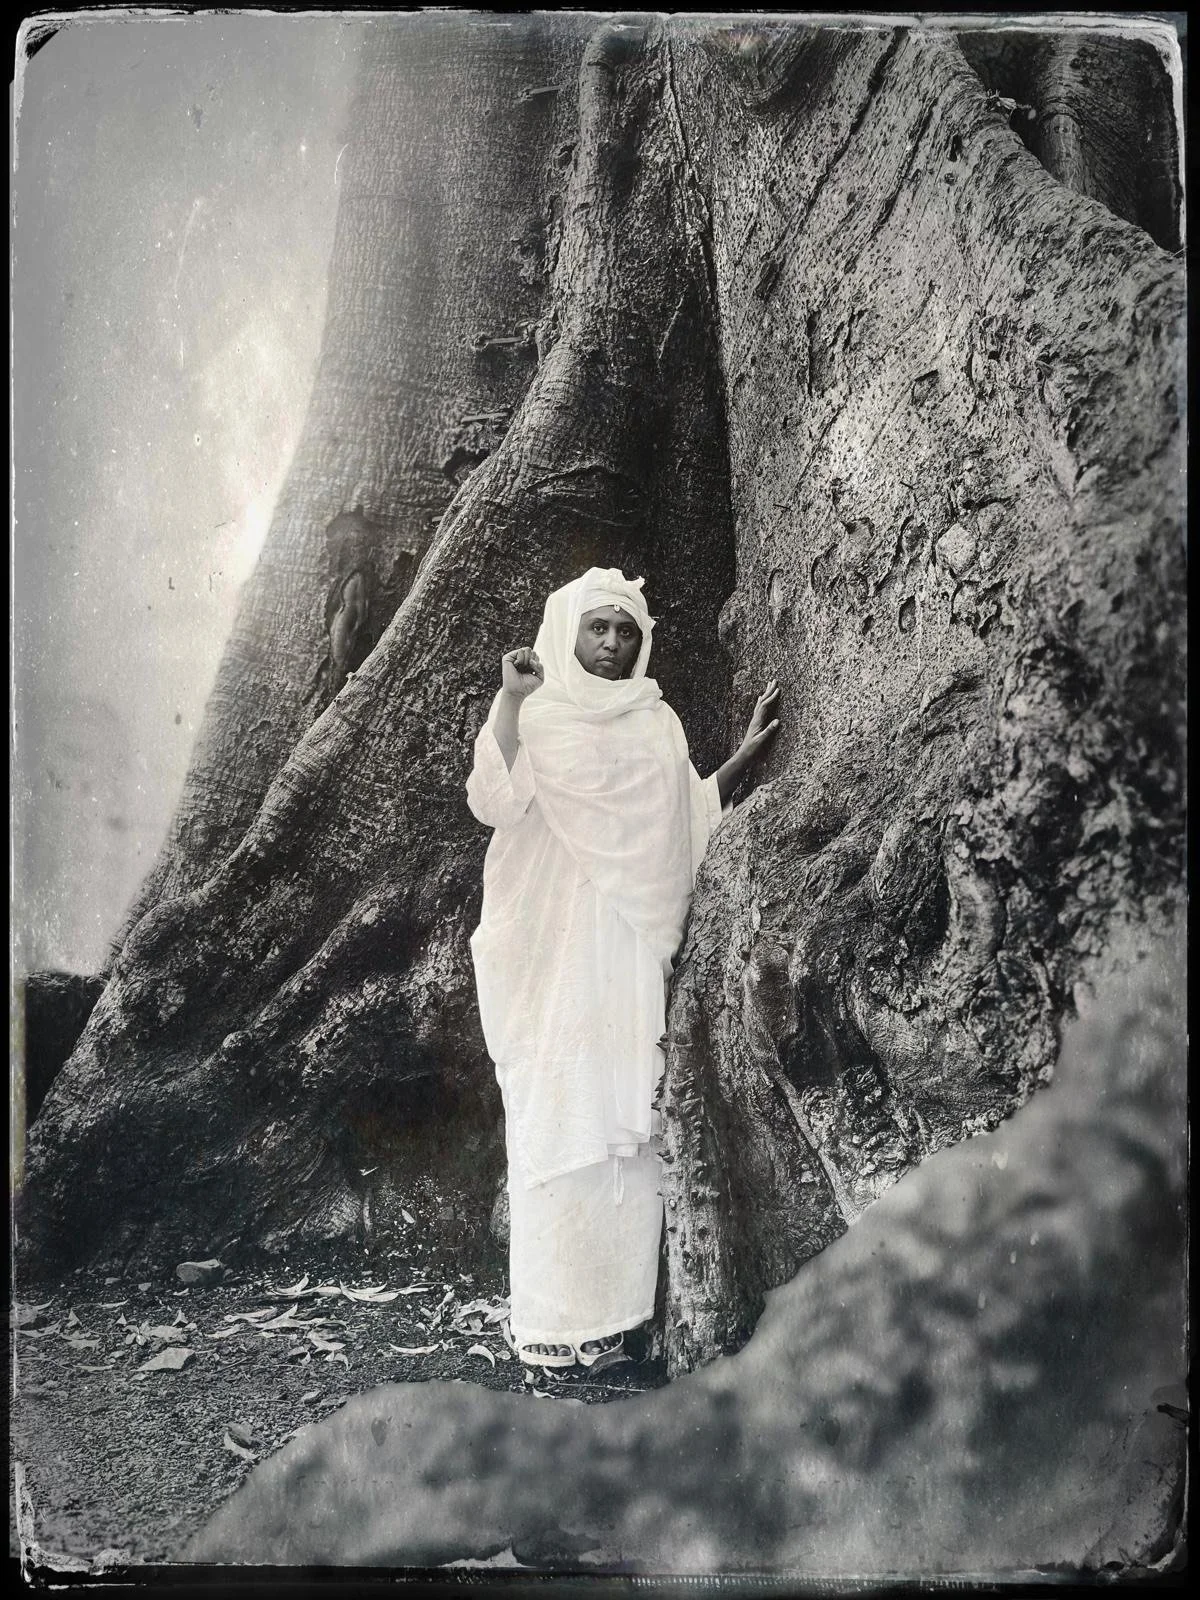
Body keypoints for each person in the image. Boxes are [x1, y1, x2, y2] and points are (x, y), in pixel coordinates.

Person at [465, 567, 779, 1372]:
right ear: (567, 630)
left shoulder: (656, 722)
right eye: (598, 627)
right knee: (559, 1115)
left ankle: (619, 1321)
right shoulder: (541, 716)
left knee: (627, 1114)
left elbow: (682, 818)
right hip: (553, 955)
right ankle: (552, 1325)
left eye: (626, 630)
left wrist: (742, 760)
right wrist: (510, 700)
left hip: (629, 951)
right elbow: (494, 800)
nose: (612, 643)